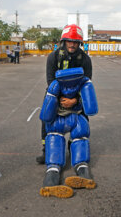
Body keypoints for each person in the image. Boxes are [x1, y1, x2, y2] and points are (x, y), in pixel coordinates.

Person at [36, 24, 92, 165]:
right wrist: (60, 99)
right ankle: (46, 150)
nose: (72, 44)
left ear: (79, 43)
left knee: (83, 118)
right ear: (64, 41)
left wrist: (75, 100)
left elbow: (86, 83)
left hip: (76, 96)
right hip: (56, 95)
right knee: (46, 118)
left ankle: (73, 148)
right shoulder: (53, 57)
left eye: (75, 42)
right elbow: (50, 80)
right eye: (69, 41)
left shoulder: (85, 60)